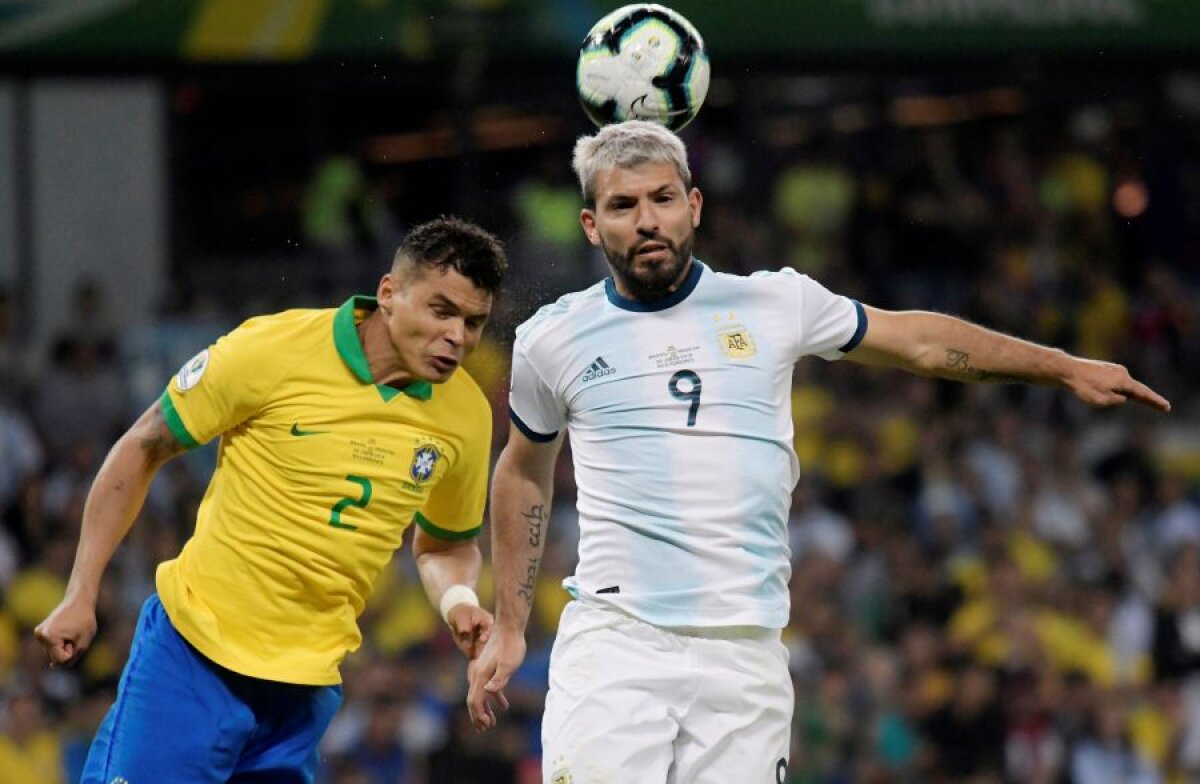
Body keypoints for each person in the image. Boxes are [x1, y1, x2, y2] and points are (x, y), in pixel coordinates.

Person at [466, 121, 1170, 783]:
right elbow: (525, 473)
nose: (647, 220)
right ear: (592, 224)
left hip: (744, 652)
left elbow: (920, 342)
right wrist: (512, 626)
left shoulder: (775, 303)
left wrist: (1060, 367)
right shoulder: (552, 339)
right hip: (616, 644)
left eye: (663, 198)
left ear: (695, 205)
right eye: (623, 205)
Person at [34, 216, 508, 783]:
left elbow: (444, 545)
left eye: (474, 321)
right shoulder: (273, 349)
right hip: (193, 660)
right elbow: (143, 447)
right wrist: (82, 592)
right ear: (389, 293)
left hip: (303, 693)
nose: (458, 336)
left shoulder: (465, 416)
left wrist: (457, 599)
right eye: (441, 310)